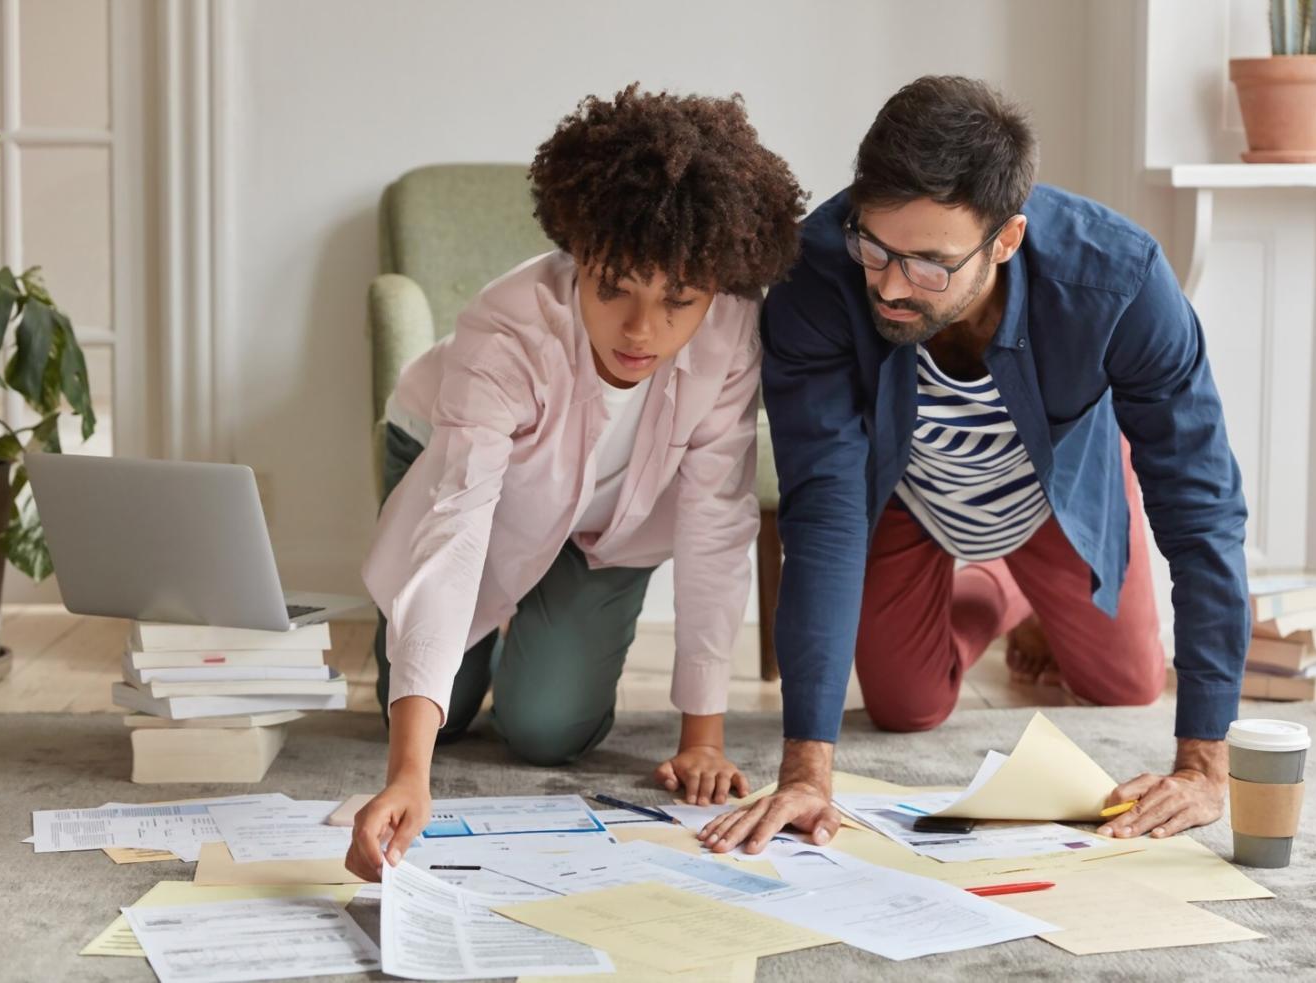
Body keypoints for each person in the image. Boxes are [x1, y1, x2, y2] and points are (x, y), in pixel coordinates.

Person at [702, 75, 1248, 855]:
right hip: (908, 492)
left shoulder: (1120, 282)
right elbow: (823, 505)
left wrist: (1204, 766)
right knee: (905, 707)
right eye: (876, 248)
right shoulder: (816, 272)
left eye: (930, 264)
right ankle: (996, 589)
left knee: (1127, 683)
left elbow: (1203, 509)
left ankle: (1024, 585)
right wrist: (805, 771)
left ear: (1006, 239)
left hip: (1056, 490)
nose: (892, 286)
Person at [347, 85, 807, 881]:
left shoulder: (734, 329)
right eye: (614, 286)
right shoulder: (506, 330)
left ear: (714, 289)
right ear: (579, 255)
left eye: (678, 301)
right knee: (436, 712)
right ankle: (462, 642)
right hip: (452, 467)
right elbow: (455, 531)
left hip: (610, 520)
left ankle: (537, 616)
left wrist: (702, 738)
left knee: (546, 728)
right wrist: (409, 772)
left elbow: (715, 520)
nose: (641, 329)